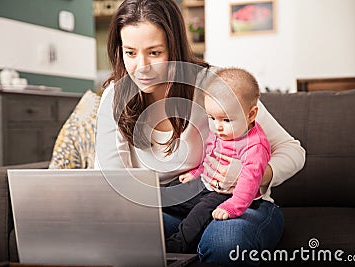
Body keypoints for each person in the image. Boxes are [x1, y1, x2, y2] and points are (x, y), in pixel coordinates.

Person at [95, 0, 306, 266]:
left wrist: (254, 174)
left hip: (237, 205)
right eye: (130, 53)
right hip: (168, 208)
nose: (142, 67)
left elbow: (292, 150)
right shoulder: (115, 96)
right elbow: (110, 181)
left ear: (175, 47)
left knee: (224, 244)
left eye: (155, 52)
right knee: (116, 232)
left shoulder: (217, 85)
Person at [164, 67, 271, 253]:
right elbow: (211, 156)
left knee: (199, 214)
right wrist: (196, 173)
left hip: (228, 195)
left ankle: (176, 246)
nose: (217, 127)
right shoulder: (221, 132)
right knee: (168, 193)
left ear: (251, 115)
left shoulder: (255, 145)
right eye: (212, 118)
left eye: (226, 120)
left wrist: (232, 207)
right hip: (207, 184)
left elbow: (249, 182)